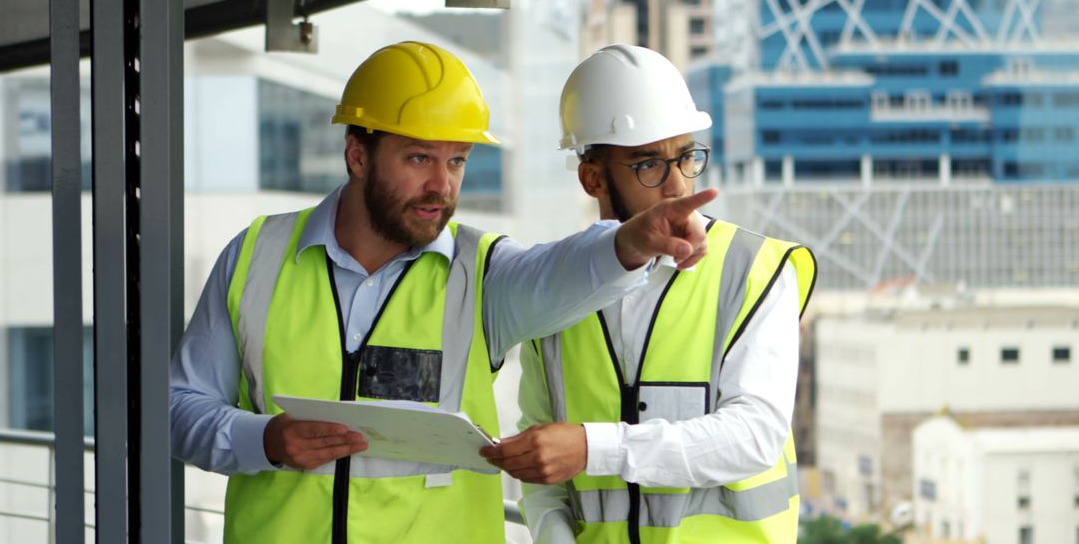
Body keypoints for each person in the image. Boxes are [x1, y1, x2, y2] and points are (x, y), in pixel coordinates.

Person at [169, 41, 717, 544]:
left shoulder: (482, 275)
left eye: (456, 160)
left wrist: (631, 241)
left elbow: (561, 272)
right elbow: (178, 409)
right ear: (357, 156)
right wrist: (261, 439)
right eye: (418, 158)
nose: (443, 185)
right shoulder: (255, 257)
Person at [481, 44, 817, 543]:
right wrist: (552, 531)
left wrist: (595, 448)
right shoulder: (557, 287)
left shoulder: (755, 269)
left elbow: (753, 437)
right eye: (648, 165)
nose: (677, 184)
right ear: (593, 177)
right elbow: (542, 442)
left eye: (686, 156)